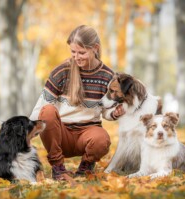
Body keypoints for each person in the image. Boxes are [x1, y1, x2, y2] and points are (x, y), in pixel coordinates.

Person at [29, 25, 125, 181]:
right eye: (73, 52)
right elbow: (41, 106)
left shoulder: (107, 76)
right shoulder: (62, 71)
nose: (76, 57)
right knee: (47, 111)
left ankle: (85, 167)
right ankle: (58, 169)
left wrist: (114, 113)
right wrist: (27, 133)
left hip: (87, 134)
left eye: (81, 52)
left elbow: (106, 110)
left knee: (102, 139)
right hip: (60, 135)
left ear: (95, 48)